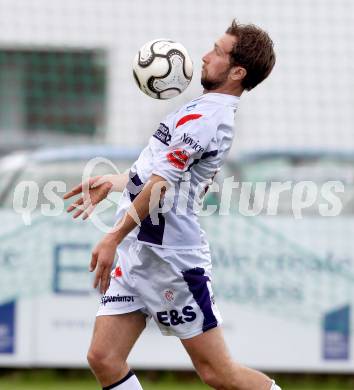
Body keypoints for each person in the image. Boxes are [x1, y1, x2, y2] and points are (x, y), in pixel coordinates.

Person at [64, 19, 279, 390]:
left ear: (237, 71)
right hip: (140, 251)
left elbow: (161, 188)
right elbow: (158, 175)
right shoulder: (199, 108)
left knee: (218, 373)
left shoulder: (207, 119)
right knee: (104, 357)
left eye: (217, 51)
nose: (205, 57)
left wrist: (112, 238)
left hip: (172, 262)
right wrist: (116, 183)